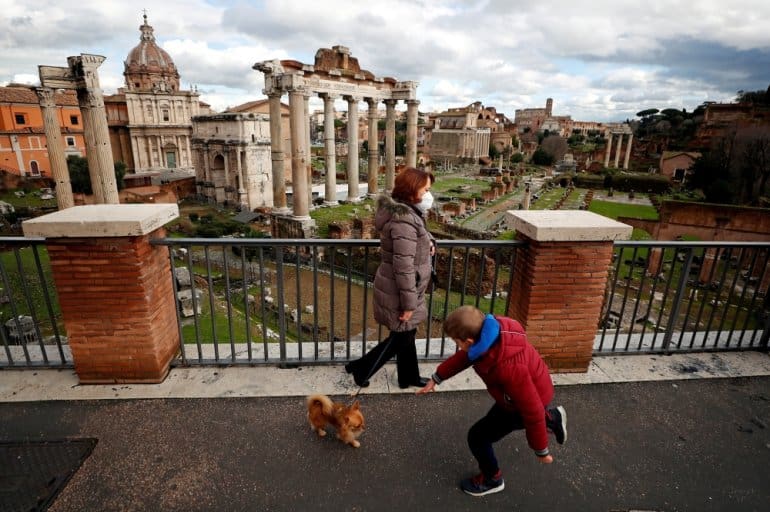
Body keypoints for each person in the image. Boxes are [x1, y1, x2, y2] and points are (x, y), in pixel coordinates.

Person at [416, 305, 567, 497]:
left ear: (469, 341)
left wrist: (541, 450)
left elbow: (532, 410)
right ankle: (553, 418)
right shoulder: (492, 332)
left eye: (457, 342)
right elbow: (466, 357)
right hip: (525, 392)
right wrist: (437, 378)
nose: (458, 346)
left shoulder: (508, 368)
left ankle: (492, 479)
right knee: (499, 423)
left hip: (520, 404)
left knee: (478, 437)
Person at [345, 167, 435, 389]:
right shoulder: (404, 220)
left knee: (407, 333)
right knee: (402, 336)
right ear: (412, 191)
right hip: (400, 289)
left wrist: (430, 242)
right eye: (426, 190)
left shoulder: (408, 214)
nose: (429, 195)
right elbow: (403, 266)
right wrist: (408, 304)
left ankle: (407, 377)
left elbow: (418, 234)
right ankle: (362, 369)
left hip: (401, 286)